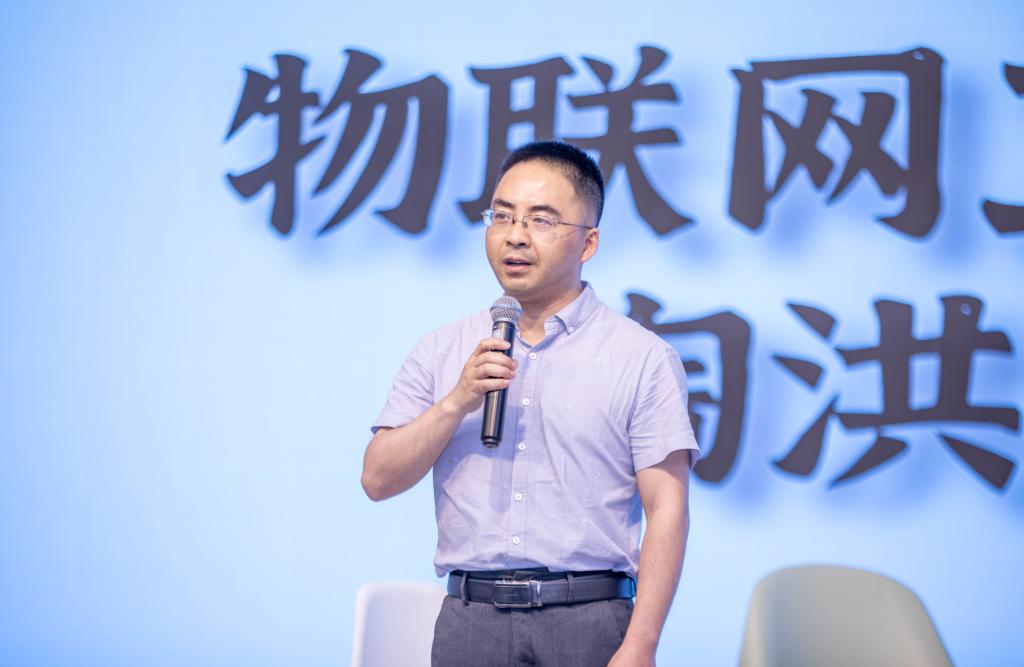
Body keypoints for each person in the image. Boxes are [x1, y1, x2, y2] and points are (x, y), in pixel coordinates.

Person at [362, 140, 699, 666]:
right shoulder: (443, 349)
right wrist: (456, 401)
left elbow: (667, 507)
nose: (514, 235)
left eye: (541, 220)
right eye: (501, 216)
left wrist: (642, 643)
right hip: (471, 621)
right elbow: (377, 479)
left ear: (588, 243)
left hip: (588, 619)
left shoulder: (642, 357)